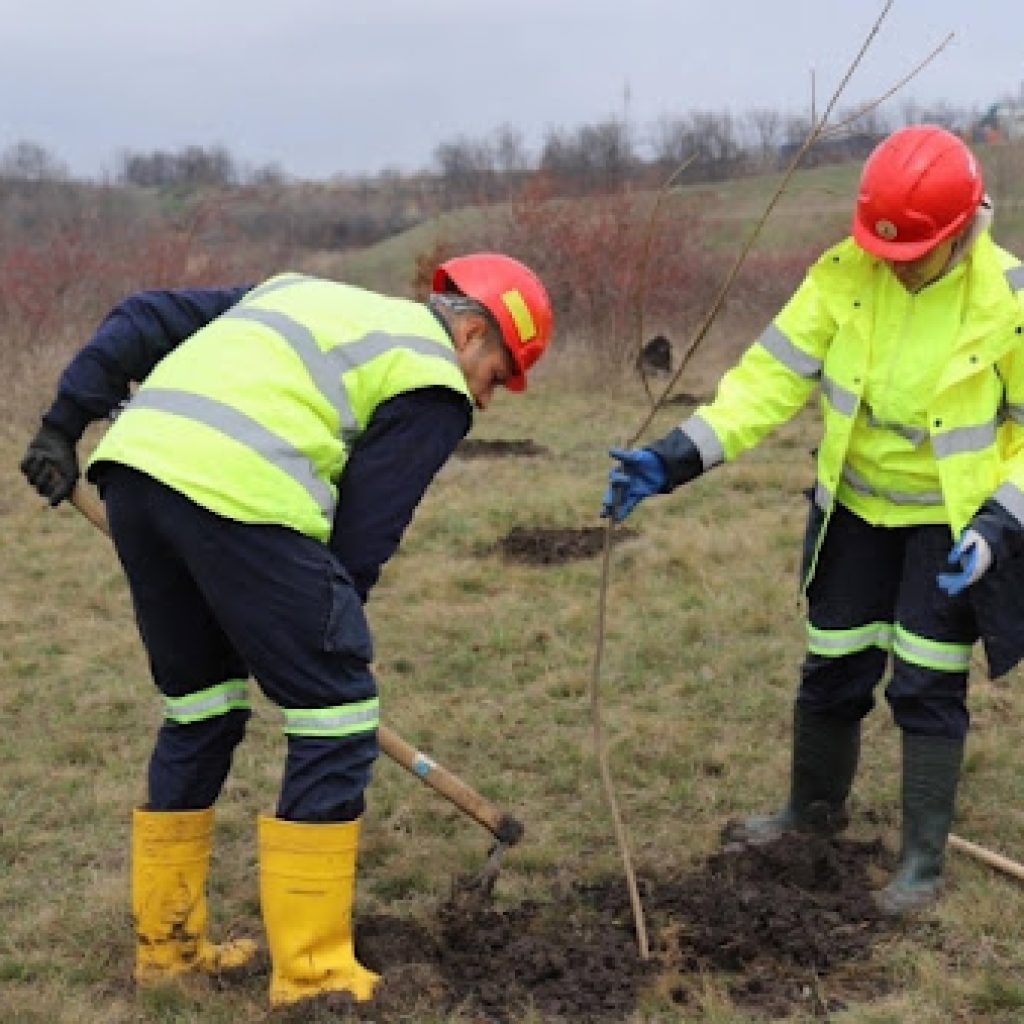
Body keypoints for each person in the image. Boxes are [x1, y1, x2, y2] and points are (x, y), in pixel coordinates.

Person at [20, 253, 553, 1006]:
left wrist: (61, 426)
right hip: (242, 497)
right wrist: (321, 637)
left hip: (135, 476)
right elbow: (366, 534)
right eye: (499, 375)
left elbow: (142, 315)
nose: (490, 399)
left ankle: (168, 954)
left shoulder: (296, 293)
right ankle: (314, 978)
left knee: (200, 706)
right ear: (470, 333)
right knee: (336, 713)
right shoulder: (434, 380)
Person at [602, 125, 1024, 916]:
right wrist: (676, 456)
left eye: (913, 252)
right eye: (884, 247)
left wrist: (999, 527)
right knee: (832, 665)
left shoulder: (1012, 301)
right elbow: (764, 381)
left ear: (964, 228)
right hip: (856, 510)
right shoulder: (843, 275)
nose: (894, 262)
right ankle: (810, 818)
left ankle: (922, 864)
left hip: (952, 524)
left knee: (928, 682)